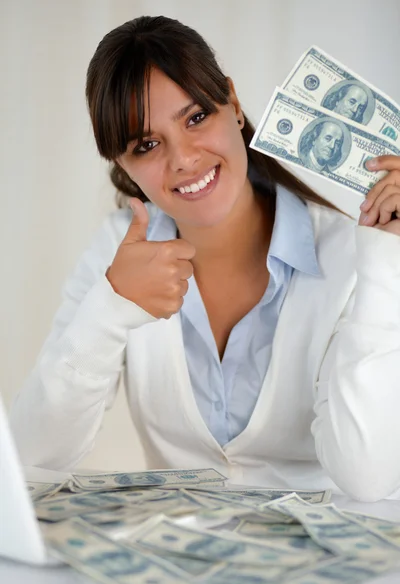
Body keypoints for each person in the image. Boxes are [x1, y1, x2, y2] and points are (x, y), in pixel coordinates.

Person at [9, 16, 400, 502]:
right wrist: (108, 312)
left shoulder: (355, 256)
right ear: (122, 164)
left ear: (233, 104)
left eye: (196, 118)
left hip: (325, 568)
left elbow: (369, 478)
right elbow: (28, 463)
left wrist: (387, 263)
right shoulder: (116, 256)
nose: (184, 158)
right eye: (146, 145)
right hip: (178, 564)